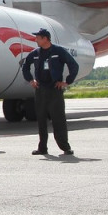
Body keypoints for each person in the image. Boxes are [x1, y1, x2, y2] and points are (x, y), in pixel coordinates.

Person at [22, 28, 80, 156]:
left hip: (55, 90)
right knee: (41, 120)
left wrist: (67, 81)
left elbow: (73, 65)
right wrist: (31, 80)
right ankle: (42, 148)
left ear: (45, 39)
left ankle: (65, 147)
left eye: (38, 37)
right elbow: (25, 66)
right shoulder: (35, 53)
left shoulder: (58, 51)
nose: (35, 40)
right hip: (40, 90)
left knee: (58, 119)